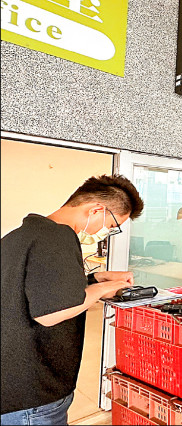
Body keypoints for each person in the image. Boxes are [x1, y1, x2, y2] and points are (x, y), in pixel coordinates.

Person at [1, 175, 145, 425]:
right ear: (97, 209)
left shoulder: (21, 236)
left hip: (11, 382)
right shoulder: (57, 238)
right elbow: (51, 312)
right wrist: (104, 289)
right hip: (33, 393)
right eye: (112, 226)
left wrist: (95, 279)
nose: (107, 233)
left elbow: (37, 289)